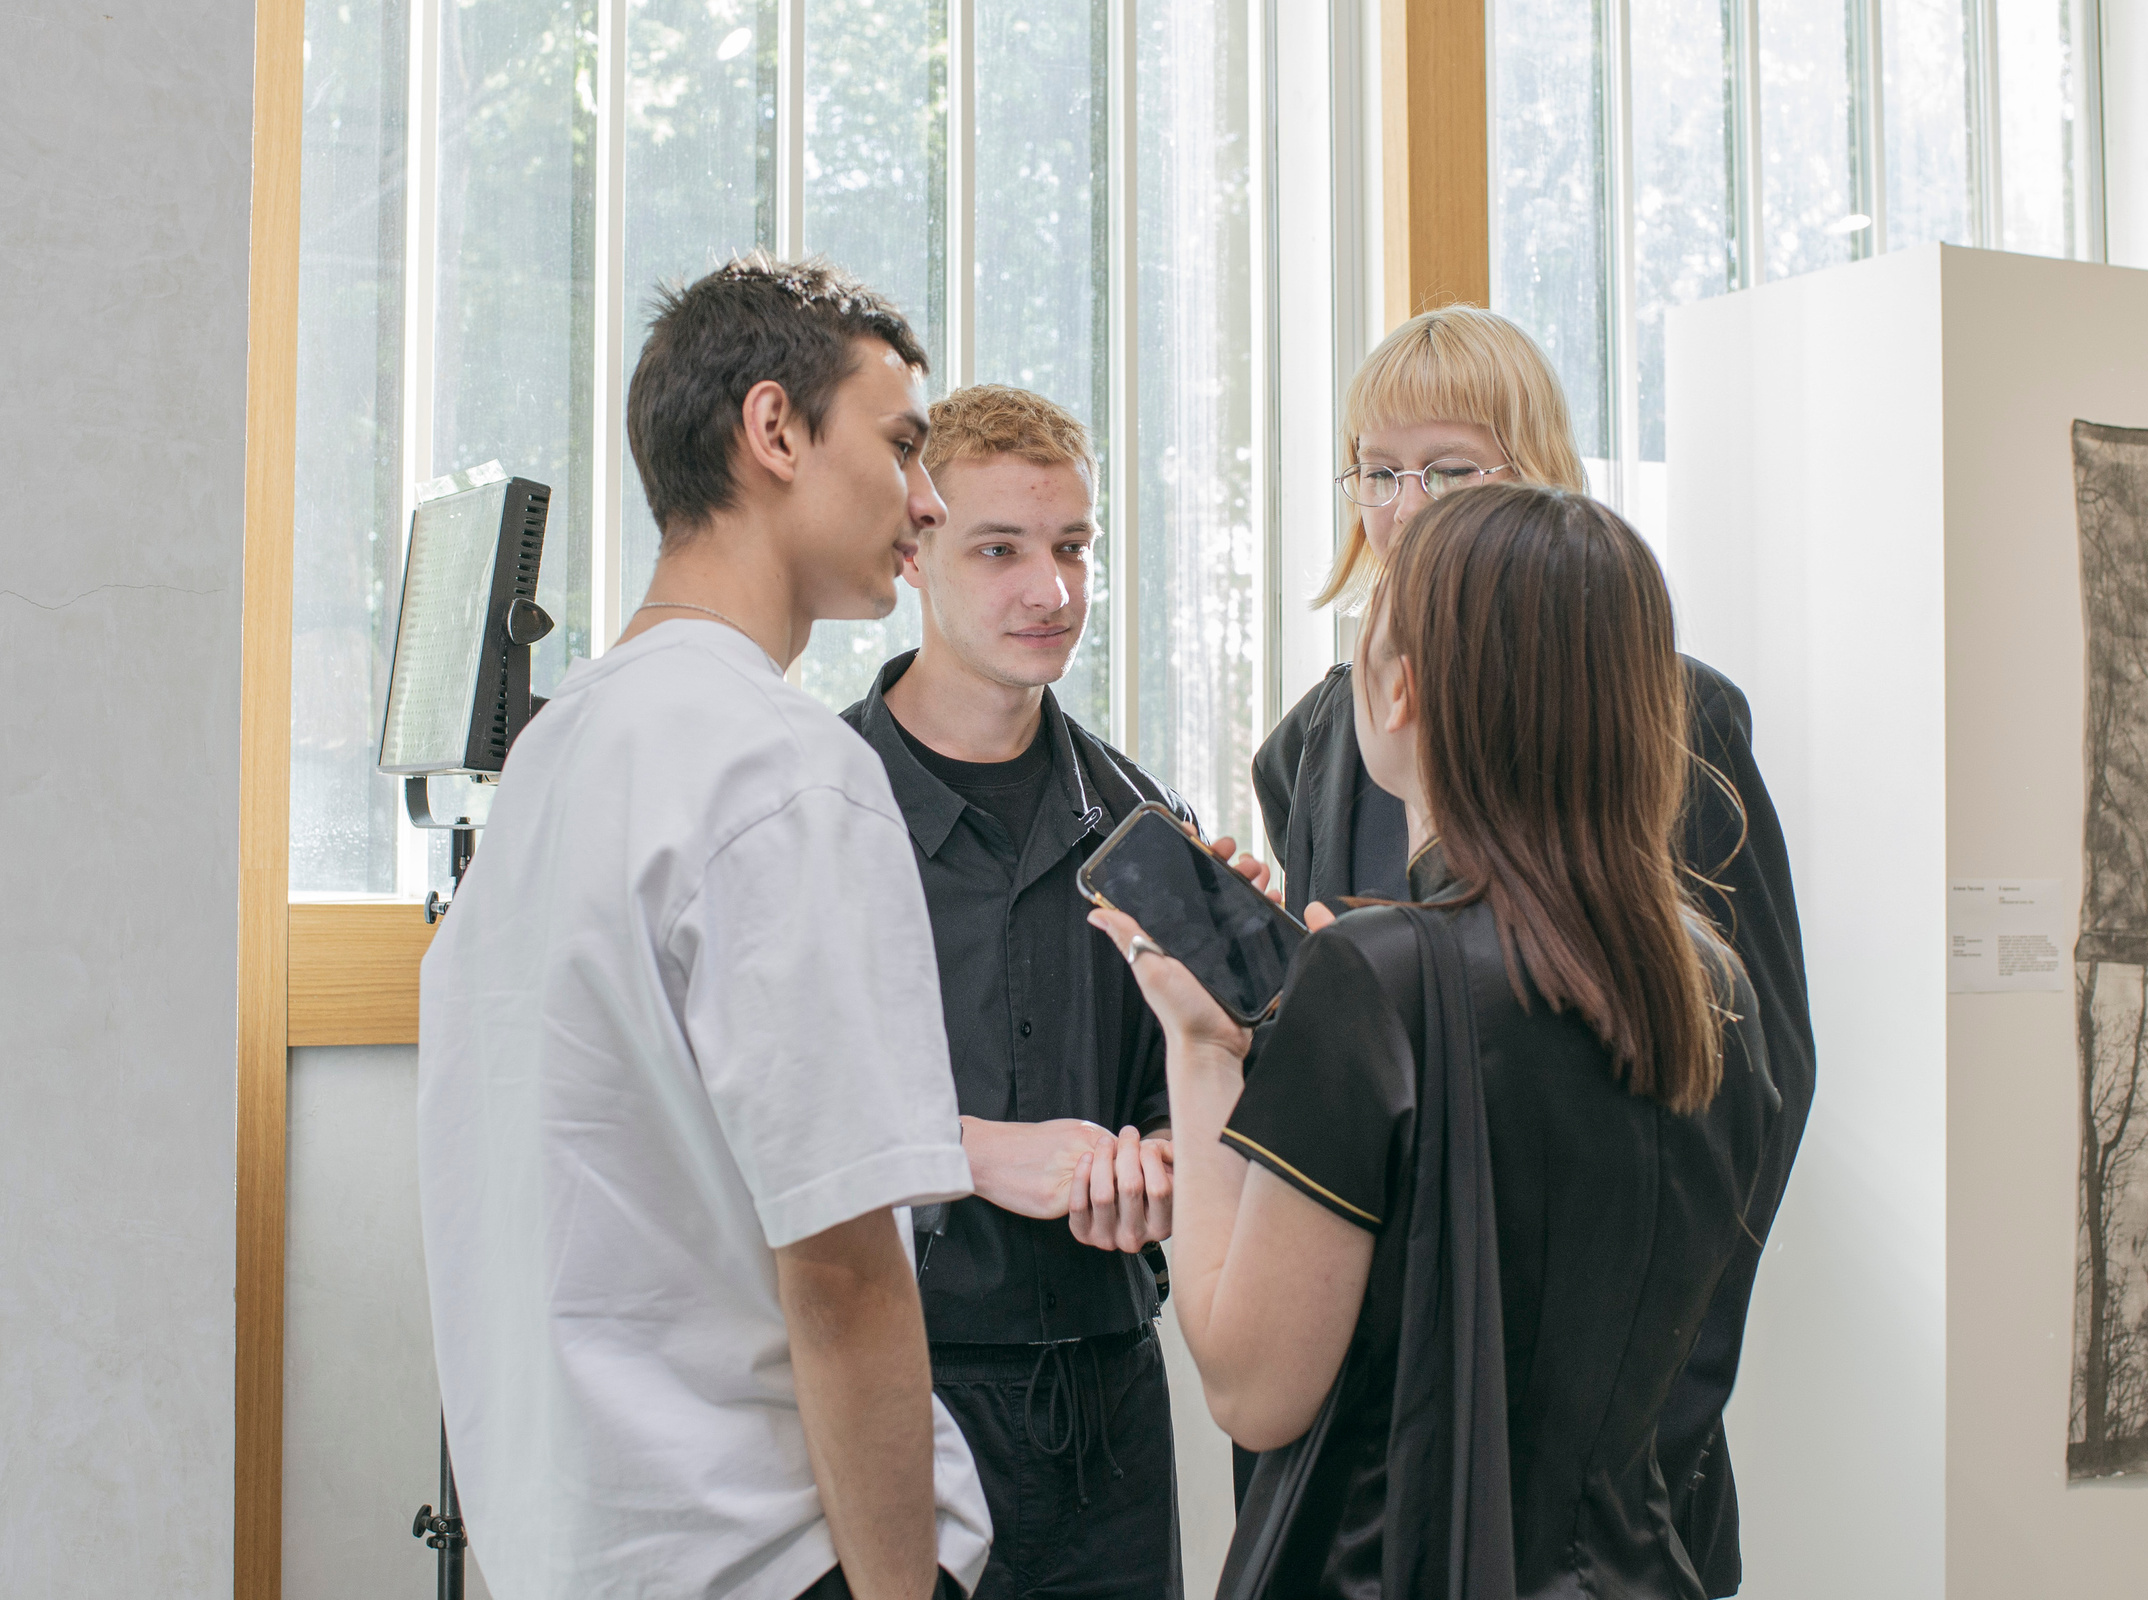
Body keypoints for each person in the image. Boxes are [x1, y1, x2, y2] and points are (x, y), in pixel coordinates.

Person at [415, 255, 991, 1600]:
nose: (928, 499)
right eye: (901, 444)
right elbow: (843, 1270)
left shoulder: (555, 757)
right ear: (774, 428)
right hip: (774, 1559)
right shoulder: (780, 765)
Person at [1091, 483, 1783, 1599]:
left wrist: (1204, 1049)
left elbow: (1252, 1390)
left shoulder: (1375, 980)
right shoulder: (1710, 985)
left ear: (1399, 688)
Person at [1250, 306, 1814, 1591]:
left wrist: (1642, 1418)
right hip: (1369, 1412)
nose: (1404, 509)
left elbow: (1757, 1081)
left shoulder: (1673, 713)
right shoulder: (1314, 742)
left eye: (1449, 471)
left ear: (1539, 470)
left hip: (1601, 1429)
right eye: (1377, 472)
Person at [840, 383, 1194, 1600]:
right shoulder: (816, 810)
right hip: (889, 1386)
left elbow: (1191, 1098)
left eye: (1072, 547)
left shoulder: (1147, 826)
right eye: (999, 549)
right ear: (914, 550)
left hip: (1110, 1404)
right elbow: (734, 1118)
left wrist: (1161, 1167)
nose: (1051, 590)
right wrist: (972, 1152)